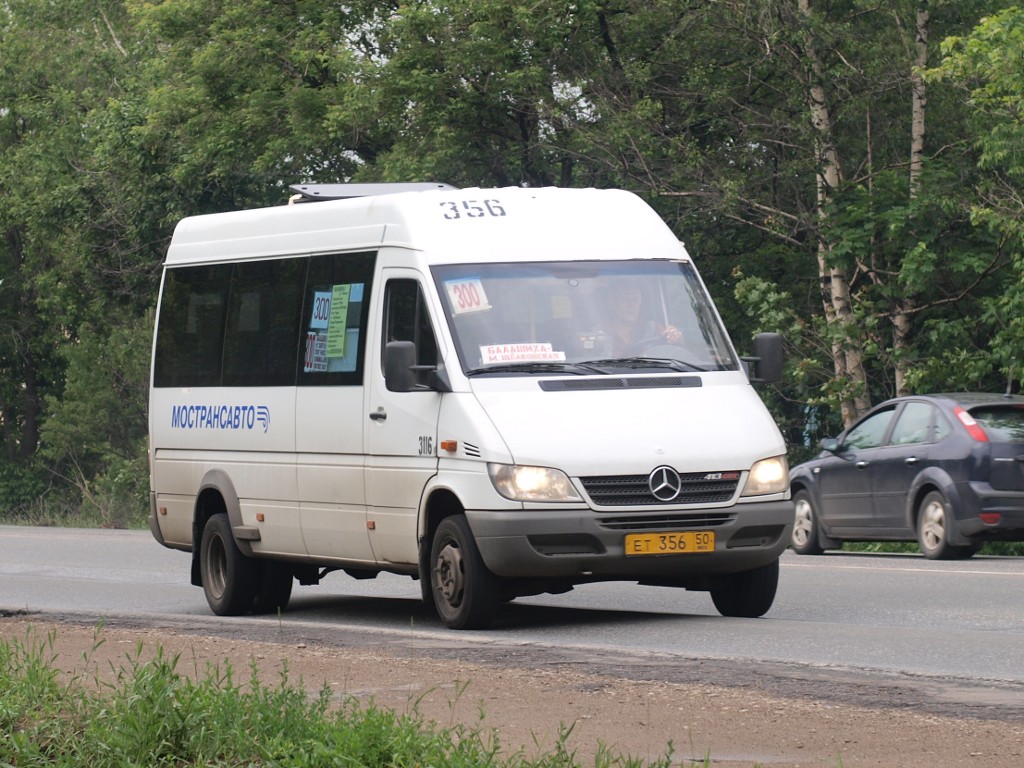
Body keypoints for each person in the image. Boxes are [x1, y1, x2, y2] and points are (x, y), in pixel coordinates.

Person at [605, 284, 682, 356]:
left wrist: (676, 337)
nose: (630, 305)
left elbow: (674, 349)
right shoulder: (600, 331)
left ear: (640, 303)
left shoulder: (653, 328)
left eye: (635, 300)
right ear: (612, 304)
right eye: (625, 299)